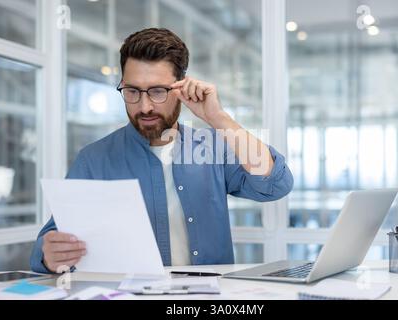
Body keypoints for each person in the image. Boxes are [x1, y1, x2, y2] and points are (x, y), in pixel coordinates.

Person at [30, 28, 293, 273]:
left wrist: (218, 118)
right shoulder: (94, 159)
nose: (144, 106)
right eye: (132, 91)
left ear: (181, 87)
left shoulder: (213, 147)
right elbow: (53, 237)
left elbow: (275, 184)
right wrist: (49, 254)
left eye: (157, 91)